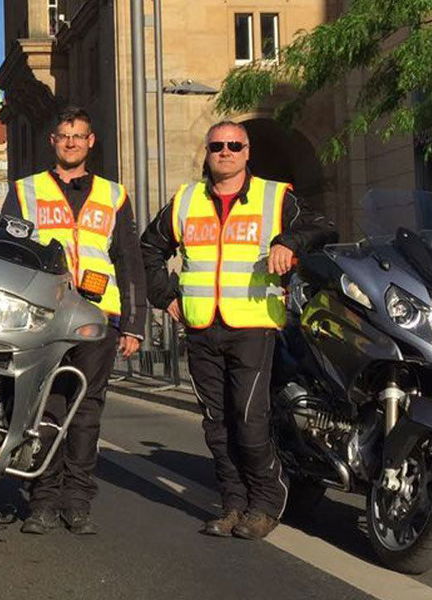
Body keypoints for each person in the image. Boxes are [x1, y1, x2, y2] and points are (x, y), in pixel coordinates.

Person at [140, 121, 336, 540]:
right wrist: (165, 296)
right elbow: (150, 247)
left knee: (249, 419)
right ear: (208, 152)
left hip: (252, 325)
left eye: (233, 145)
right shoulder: (186, 200)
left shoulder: (274, 196)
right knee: (217, 423)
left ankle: (265, 501)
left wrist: (289, 242)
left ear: (247, 152)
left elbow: (323, 227)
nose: (225, 152)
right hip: (200, 326)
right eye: (217, 146)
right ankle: (232, 504)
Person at [0, 106, 146, 536]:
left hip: (99, 316)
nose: (70, 143)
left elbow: (129, 260)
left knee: (85, 411)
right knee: (45, 408)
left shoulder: (113, 195)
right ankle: (43, 501)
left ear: (90, 142)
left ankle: (77, 502)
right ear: (53, 142)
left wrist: (134, 323)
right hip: (44, 315)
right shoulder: (26, 190)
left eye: (78, 136)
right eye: (64, 136)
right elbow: (7, 253)